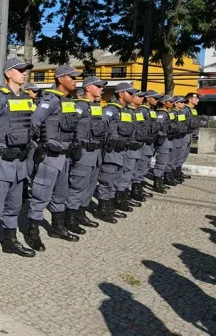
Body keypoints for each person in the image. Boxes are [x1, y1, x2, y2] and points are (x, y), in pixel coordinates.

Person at [0, 58, 36, 272]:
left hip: (20, 163)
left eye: (25, 70)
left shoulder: (27, 99)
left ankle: (10, 241)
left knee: (14, 206)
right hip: (2, 163)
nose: (24, 74)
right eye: (20, 70)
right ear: (9, 73)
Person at [24, 65, 81, 252]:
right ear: (61, 78)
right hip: (50, 156)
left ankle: (58, 227)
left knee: (61, 194)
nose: (75, 81)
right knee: (41, 195)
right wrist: (39, 144)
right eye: (72, 77)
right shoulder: (50, 100)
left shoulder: (68, 101)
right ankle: (32, 233)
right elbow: (35, 121)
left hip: (64, 156)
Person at [66, 77, 109, 234]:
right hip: (83, 152)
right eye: (98, 86)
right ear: (88, 88)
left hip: (95, 152)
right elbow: (70, 127)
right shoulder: (80, 106)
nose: (101, 89)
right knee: (78, 185)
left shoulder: (96, 107)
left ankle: (80, 212)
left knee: (90, 185)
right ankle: (70, 216)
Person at [95, 83, 136, 221]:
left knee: (115, 181)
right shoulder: (110, 110)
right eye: (130, 93)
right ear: (121, 94)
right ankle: (102, 209)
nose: (133, 96)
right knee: (106, 181)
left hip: (122, 151)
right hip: (110, 151)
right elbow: (100, 128)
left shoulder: (127, 111)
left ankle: (110, 207)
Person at [132, 91, 162, 201]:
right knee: (140, 166)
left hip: (150, 143)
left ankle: (139, 187)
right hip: (144, 143)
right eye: (155, 98)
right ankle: (135, 190)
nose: (157, 101)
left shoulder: (151, 111)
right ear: (148, 98)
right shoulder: (141, 111)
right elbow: (141, 128)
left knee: (145, 165)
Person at [179, 92, 206, 177]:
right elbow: (182, 122)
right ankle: (175, 171)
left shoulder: (193, 110)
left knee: (185, 153)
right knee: (180, 153)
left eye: (198, 98)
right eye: (196, 98)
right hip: (183, 134)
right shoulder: (184, 109)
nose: (198, 100)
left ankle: (178, 170)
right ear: (189, 100)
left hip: (190, 133)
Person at [154, 95, 178, 189]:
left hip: (169, 140)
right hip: (164, 141)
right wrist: (162, 135)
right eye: (170, 101)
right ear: (164, 102)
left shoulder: (168, 113)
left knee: (165, 161)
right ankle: (157, 182)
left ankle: (160, 180)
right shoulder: (161, 113)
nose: (172, 103)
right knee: (161, 162)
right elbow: (157, 127)